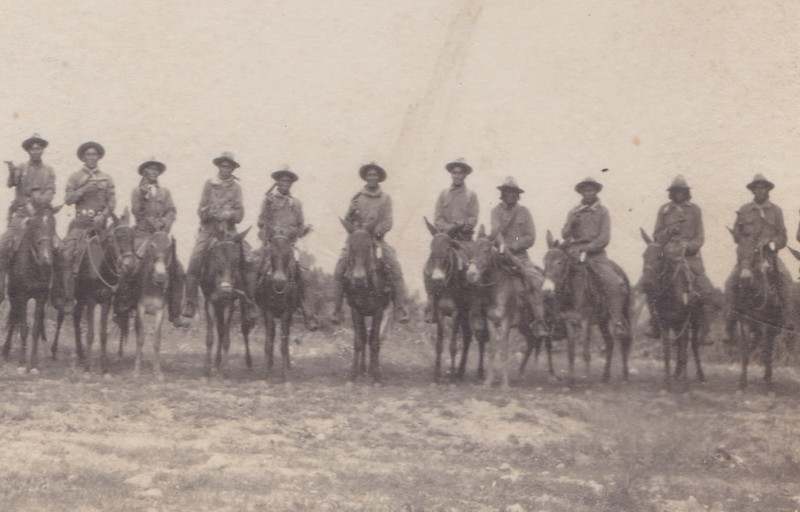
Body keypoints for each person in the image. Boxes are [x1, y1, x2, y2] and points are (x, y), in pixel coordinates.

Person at [330, 163, 409, 324]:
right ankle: (337, 309)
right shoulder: (357, 197)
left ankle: (399, 308)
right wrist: (350, 213)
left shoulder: (385, 198)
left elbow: (388, 221)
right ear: (365, 178)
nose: (372, 177)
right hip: (356, 240)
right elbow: (348, 221)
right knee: (340, 267)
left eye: (374, 175)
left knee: (394, 266)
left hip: (376, 240)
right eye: (369, 175)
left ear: (379, 178)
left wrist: (375, 232)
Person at [643, 175, 714, 341]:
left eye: (681, 191)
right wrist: (669, 232)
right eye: (675, 191)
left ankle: (706, 329)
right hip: (667, 254)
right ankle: (654, 323)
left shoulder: (695, 210)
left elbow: (700, 236)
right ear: (671, 193)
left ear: (686, 192)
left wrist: (688, 246)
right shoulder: (664, 210)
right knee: (650, 282)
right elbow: (656, 236)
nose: (678, 194)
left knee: (705, 288)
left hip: (689, 257)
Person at [118, 158, 187, 327]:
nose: (153, 172)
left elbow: (172, 211)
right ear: (144, 172)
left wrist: (165, 223)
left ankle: (175, 313)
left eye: (156, 169)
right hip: (143, 235)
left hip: (161, 237)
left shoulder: (165, 192)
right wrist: (144, 199)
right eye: (149, 169)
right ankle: (124, 305)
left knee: (178, 270)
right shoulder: (137, 191)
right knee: (130, 267)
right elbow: (136, 211)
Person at [724, 174, 794, 339]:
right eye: (756, 188)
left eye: (762, 187)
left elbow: (783, 237)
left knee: (785, 278)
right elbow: (737, 237)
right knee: (730, 283)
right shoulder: (744, 210)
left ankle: (789, 322)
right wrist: (737, 233)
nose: (759, 191)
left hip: (769, 256)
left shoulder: (776, 211)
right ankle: (730, 326)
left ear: (767, 190)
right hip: (748, 257)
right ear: (752, 190)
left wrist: (773, 243)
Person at [249, 167, 318, 330]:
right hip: (272, 243)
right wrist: (269, 230)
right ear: (277, 182)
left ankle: (309, 314)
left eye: (288, 181)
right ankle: (252, 307)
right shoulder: (268, 200)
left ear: (291, 184)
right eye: (282, 180)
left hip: (291, 245)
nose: (285, 183)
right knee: (254, 266)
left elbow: (300, 224)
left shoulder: (296, 203)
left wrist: (302, 230)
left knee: (304, 273)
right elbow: (261, 222)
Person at [181, 152, 247, 319]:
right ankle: (190, 301)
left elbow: (240, 213)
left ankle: (249, 302)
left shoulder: (236, 188)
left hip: (230, 233)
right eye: (224, 166)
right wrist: (211, 212)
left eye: (229, 167)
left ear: (233, 169)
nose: (226, 169)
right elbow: (200, 210)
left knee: (248, 259)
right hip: (210, 231)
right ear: (219, 167)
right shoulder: (209, 185)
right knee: (195, 260)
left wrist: (229, 215)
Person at [561, 177, 629, 337]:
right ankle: (561, 317)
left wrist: (588, 248)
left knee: (614, 283)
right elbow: (564, 234)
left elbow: (604, 237)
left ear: (596, 192)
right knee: (558, 280)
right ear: (581, 193)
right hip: (574, 254)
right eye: (585, 190)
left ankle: (617, 321)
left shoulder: (603, 212)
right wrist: (571, 224)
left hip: (596, 255)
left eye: (591, 190)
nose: (588, 193)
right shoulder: (574, 211)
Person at [60, 141, 116, 314]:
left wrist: (104, 215)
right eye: (88, 154)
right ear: (83, 157)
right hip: (80, 224)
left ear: (99, 157)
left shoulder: (107, 178)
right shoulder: (75, 177)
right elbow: (68, 199)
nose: (91, 157)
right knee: (67, 254)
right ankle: (69, 297)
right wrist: (84, 189)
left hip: (100, 226)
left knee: (119, 254)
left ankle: (119, 299)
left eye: (94, 154)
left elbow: (112, 201)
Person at [490, 176, 548, 336]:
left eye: (513, 192)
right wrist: (503, 247)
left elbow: (530, 236)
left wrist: (513, 246)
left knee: (536, 280)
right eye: (506, 192)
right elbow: (495, 232)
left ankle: (539, 321)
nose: (509, 195)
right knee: (478, 275)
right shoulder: (496, 211)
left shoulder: (524, 212)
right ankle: (478, 318)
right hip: (500, 257)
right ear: (502, 194)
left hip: (520, 257)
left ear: (517, 195)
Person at [0, 134, 56, 300]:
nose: (36, 151)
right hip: (22, 214)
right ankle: (2, 285)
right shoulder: (21, 168)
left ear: (43, 150)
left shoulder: (49, 171)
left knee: (57, 247)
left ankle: (56, 291)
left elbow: (51, 190)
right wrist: (11, 170)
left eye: (39, 148)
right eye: (33, 148)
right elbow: (11, 183)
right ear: (28, 150)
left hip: (42, 214)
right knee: (4, 244)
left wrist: (41, 200)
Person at [424, 159, 479, 322]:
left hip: (464, 240)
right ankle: (431, 304)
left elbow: (473, 219)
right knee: (429, 266)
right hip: (445, 239)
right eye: (454, 172)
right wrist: (444, 227)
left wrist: (459, 225)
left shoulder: (471, 195)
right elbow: (438, 217)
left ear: (465, 175)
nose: (457, 175)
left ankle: (474, 307)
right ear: (451, 174)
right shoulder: (444, 194)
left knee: (472, 269)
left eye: (460, 173)